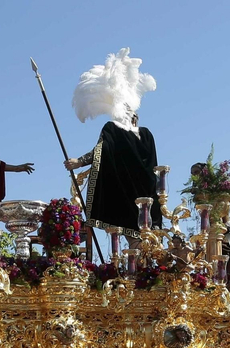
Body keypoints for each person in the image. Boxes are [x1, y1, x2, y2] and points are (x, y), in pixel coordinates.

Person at [66, 48, 162, 233]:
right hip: (124, 189)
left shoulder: (146, 134)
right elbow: (102, 150)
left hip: (146, 191)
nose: (133, 115)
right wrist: (80, 162)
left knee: (147, 233)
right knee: (129, 232)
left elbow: (153, 166)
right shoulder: (112, 128)